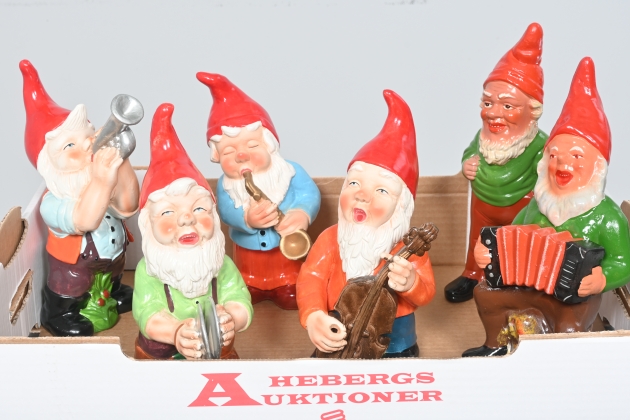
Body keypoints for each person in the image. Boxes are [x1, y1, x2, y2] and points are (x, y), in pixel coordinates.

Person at [464, 57, 630, 357]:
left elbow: (623, 262)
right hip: (528, 288)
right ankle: (495, 346)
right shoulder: (538, 205)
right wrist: (486, 253)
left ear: (597, 166)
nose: (562, 164)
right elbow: (507, 238)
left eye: (576, 157)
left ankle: (558, 365)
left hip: (576, 297)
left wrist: (602, 279)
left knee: (566, 331)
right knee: (485, 293)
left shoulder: (608, 218)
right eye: (554, 155)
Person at [296, 90, 436, 358]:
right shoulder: (330, 239)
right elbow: (311, 278)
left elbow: (427, 291)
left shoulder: (410, 248)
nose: (362, 196)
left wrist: (411, 283)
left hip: (395, 338)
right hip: (339, 330)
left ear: (400, 206)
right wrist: (313, 315)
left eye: (381, 190)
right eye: (354, 183)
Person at [20, 59, 138, 336]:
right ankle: (60, 314)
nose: (87, 145)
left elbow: (128, 205)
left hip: (111, 261)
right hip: (75, 270)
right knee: (72, 284)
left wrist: (120, 160)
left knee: (113, 274)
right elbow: (86, 220)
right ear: (49, 164)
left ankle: (112, 291)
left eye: (88, 135)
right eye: (70, 145)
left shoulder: (100, 178)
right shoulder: (52, 203)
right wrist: (102, 180)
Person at [133, 103, 252, 360]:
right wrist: (175, 332)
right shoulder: (148, 270)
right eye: (168, 213)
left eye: (199, 209)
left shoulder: (221, 264)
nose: (187, 219)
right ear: (148, 225)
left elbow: (239, 298)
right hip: (162, 353)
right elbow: (147, 312)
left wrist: (232, 317)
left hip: (216, 349)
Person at [197, 73, 320, 310]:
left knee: (288, 275)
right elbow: (225, 212)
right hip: (247, 255)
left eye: (252, 145)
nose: (241, 155)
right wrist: (246, 219)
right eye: (229, 152)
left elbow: (309, 194)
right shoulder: (225, 184)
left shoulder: (291, 171)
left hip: (285, 251)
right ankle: (249, 284)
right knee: (246, 276)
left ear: (269, 145)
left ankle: (286, 282)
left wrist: (302, 214)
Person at [445, 23, 549, 303]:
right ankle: (473, 274)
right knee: (477, 240)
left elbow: (550, 176)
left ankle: (513, 282)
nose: (493, 114)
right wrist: (467, 163)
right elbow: (471, 151)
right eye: (488, 103)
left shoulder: (541, 144)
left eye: (507, 106)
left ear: (533, 111)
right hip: (482, 203)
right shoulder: (483, 136)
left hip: (521, 206)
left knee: (516, 246)